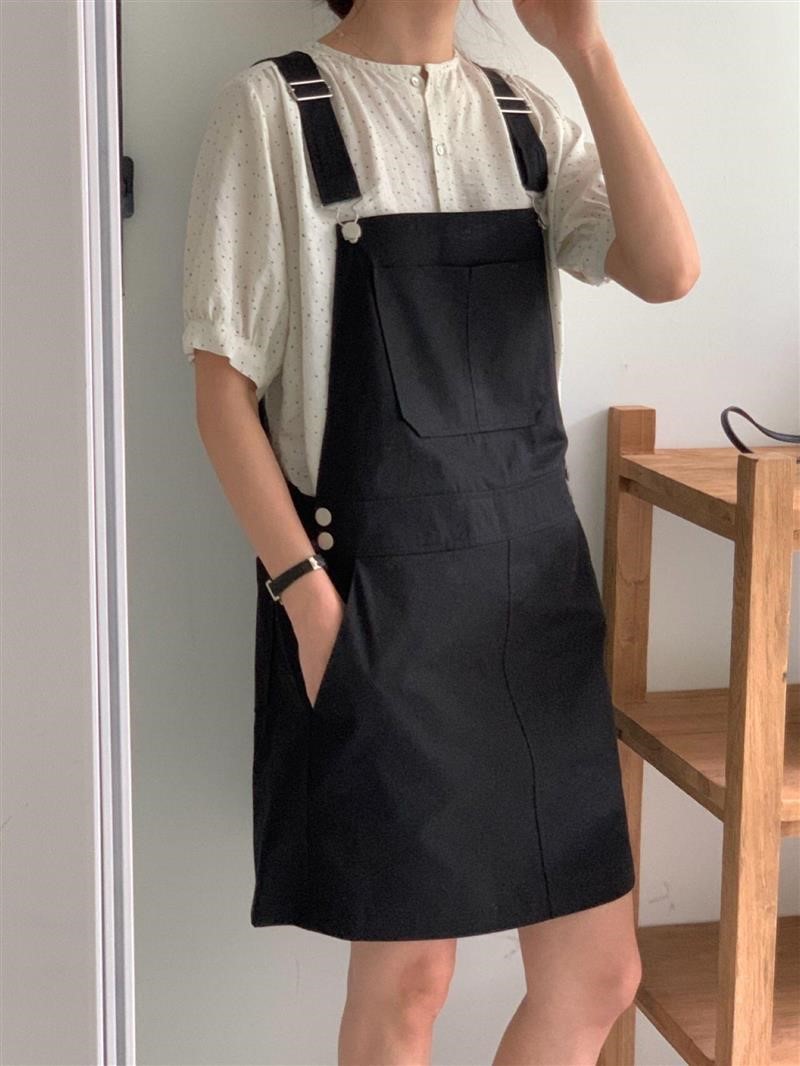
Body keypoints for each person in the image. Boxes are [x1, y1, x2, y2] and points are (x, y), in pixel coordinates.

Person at [181, 0, 700, 1062]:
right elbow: (223, 392)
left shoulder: (524, 114)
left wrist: (584, 49)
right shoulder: (273, 109)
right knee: (411, 977)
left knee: (599, 973)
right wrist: (309, 604)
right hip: (377, 599)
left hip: (531, 600)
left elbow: (667, 269)